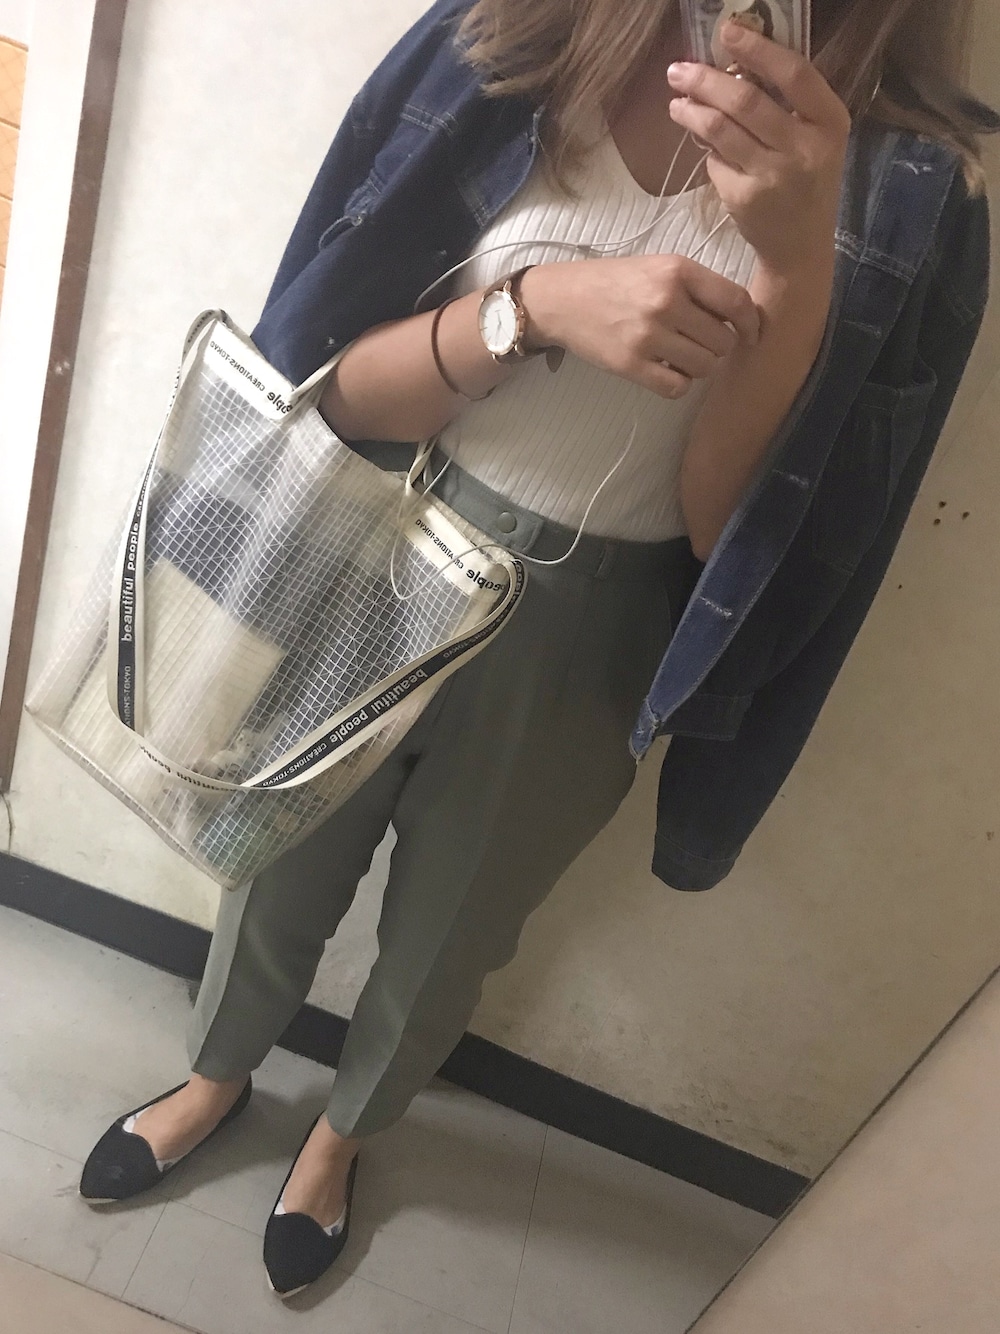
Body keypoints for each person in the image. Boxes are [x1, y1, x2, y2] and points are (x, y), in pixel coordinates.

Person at [79, 0, 994, 1300]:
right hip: (386, 536)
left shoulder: (916, 196)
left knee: (451, 934)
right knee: (273, 854)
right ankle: (216, 1078)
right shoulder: (512, 34)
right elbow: (330, 388)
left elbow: (741, 546)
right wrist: (539, 307)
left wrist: (796, 272)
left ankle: (342, 1139)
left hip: (601, 625)